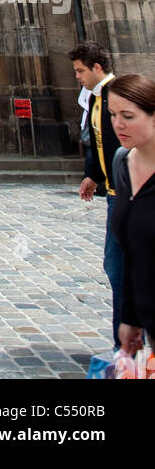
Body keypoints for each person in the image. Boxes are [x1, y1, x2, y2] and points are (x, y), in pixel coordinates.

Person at [70, 41, 123, 349]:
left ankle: (128, 346)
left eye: (80, 71)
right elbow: (97, 140)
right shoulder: (95, 99)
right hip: (115, 192)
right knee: (117, 267)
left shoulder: (121, 96)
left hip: (132, 194)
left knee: (122, 268)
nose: (77, 77)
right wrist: (93, 174)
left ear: (96, 67)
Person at [108, 74, 155, 356]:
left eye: (128, 116)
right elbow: (130, 254)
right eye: (113, 115)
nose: (117, 124)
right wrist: (129, 318)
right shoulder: (122, 164)